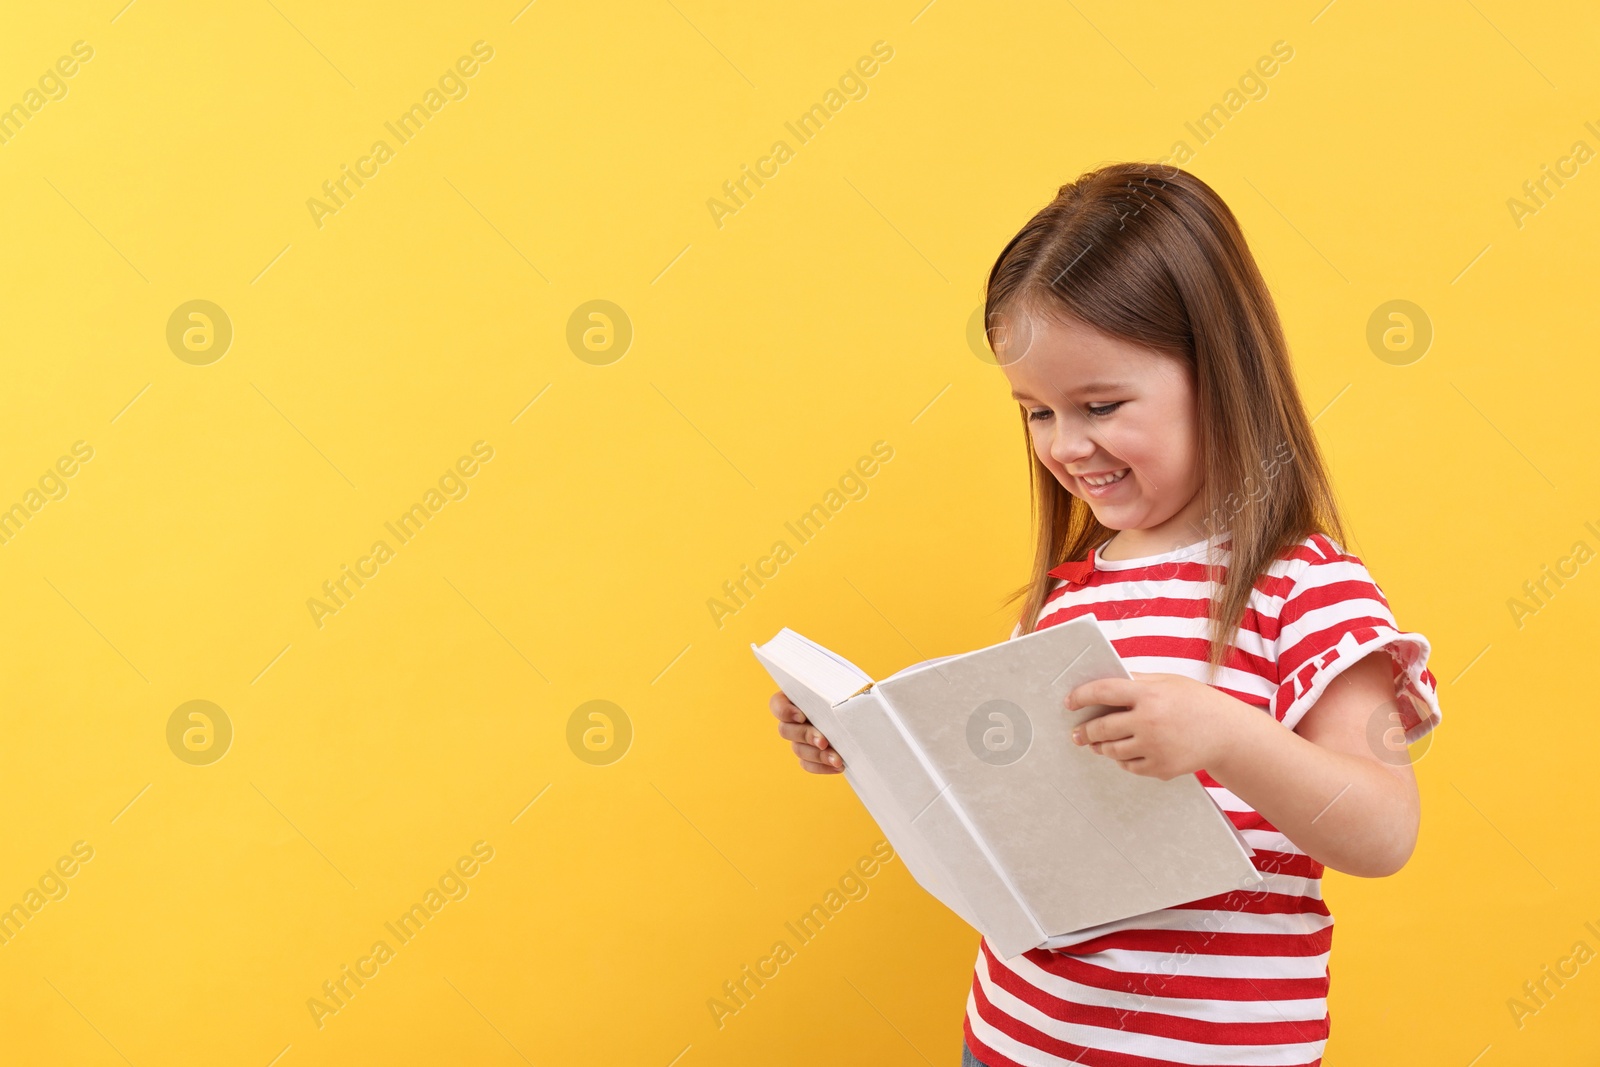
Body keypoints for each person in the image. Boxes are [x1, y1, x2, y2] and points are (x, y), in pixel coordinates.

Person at [768, 162, 1442, 1066]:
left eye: (1100, 405)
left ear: (1219, 373)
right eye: (1037, 411)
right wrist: (870, 745)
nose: (1065, 444)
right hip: (1016, 1036)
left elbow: (1385, 828)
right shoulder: (1066, 595)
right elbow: (1004, 802)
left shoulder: (1305, 588)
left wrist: (1225, 736)